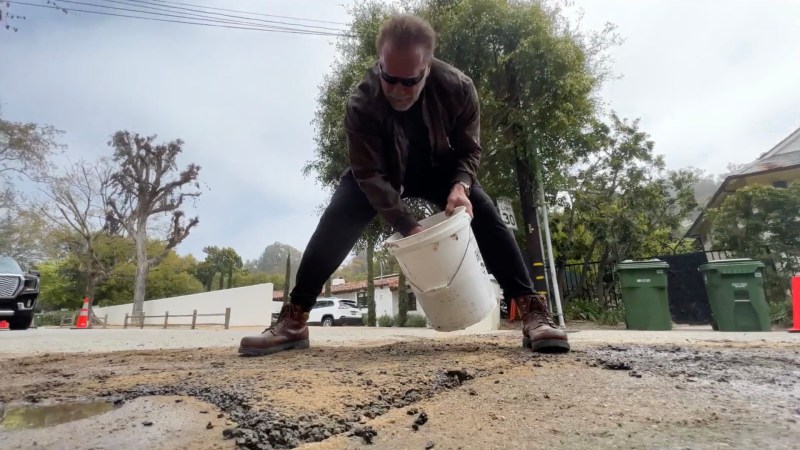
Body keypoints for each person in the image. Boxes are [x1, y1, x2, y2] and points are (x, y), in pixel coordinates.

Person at [239, 14, 569, 356]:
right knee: (338, 216)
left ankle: (533, 313)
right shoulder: (362, 103)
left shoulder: (459, 88)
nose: (397, 90)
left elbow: (470, 150)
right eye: (388, 78)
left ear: (426, 67)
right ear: (380, 63)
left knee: (483, 211)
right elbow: (366, 172)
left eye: (408, 82)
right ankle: (294, 320)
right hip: (381, 173)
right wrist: (406, 225)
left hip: (439, 168)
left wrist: (460, 186)